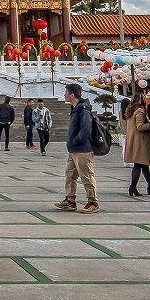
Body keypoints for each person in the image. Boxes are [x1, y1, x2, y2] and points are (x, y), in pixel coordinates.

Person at [55, 83, 99, 214]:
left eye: (66, 93)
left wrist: (76, 140)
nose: (64, 95)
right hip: (73, 150)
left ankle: (93, 201)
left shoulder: (83, 109)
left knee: (86, 176)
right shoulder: (75, 108)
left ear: (72, 95)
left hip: (82, 149)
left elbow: (86, 129)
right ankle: (70, 200)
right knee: (70, 175)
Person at [122, 94, 150, 197]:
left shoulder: (130, 111)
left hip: (133, 140)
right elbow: (140, 126)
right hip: (140, 141)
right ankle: (133, 187)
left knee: (143, 164)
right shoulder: (140, 111)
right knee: (139, 164)